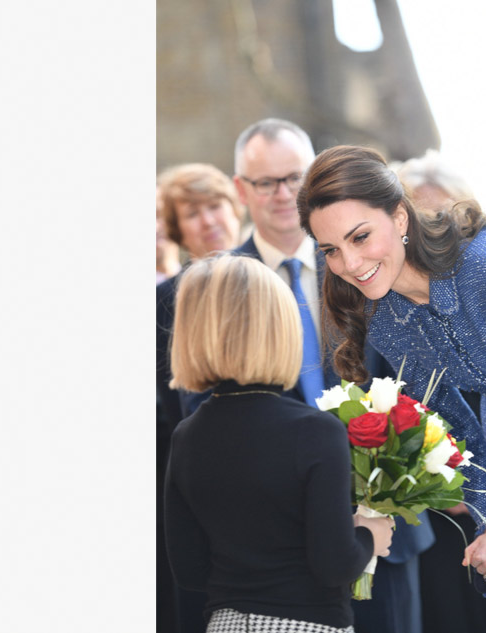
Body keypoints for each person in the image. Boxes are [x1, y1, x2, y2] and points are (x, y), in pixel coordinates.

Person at [297, 145, 486, 632]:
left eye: (360, 236)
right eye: (330, 250)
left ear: (399, 217)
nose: (350, 263)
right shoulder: (382, 310)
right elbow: (449, 429)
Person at [178, 119, 435, 633]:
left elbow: (419, 378)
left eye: (294, 177)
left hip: (386, 527)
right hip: (280, 561)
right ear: (240, 190)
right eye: (265, 182)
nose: (283, 194)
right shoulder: (213, 284)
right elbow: (203, 406)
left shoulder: (371, 261)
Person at [164, 254, 394, 633]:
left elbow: (190, 570)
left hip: (224, 624)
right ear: (280, 328)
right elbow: (335, 565)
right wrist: (370, 535)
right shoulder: (315, 431)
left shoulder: (187, 435)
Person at [394, 151, 486, 633]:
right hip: (431, 518)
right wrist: (432, 486)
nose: (434, 233)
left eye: (444, 217)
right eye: (420, 219)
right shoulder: (388, 308)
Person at [155, 163, 245, 633]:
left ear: (234, 207)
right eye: (192, 213)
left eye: (215, 206)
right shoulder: (164, 301)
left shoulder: (267, 277)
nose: (209, 220)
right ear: (177, 230)